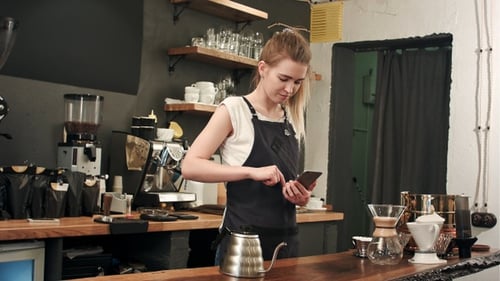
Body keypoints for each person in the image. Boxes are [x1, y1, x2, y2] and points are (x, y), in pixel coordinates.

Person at [181, 28, 316, 264]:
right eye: (283, 79)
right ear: (263, 69)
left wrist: (301, 196)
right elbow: (190, 166)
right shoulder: (234, 109)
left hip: (286, 243)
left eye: (297, 82)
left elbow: (285, 184)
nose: (290, 89)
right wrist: (251, 172)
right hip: (241, 245)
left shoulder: (291, 117)